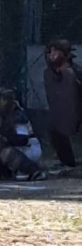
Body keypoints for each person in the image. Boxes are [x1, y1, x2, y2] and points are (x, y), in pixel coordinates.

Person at [0, 88, 46, 182]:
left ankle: (35, 171)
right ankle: (2, 173)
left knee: (7, 153)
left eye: (0, 100)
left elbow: (23, 140)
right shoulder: (2, 116)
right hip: (18, 148)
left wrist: (4, 139)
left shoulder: (18, 115)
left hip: (30, 149)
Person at [43, 38, 81, 170]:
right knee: (54, 128)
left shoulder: (75, 72)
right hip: (63, 113)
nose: (52, 54)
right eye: (50, 51)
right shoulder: (49, 74)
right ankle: (67, 162)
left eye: (56, 51)